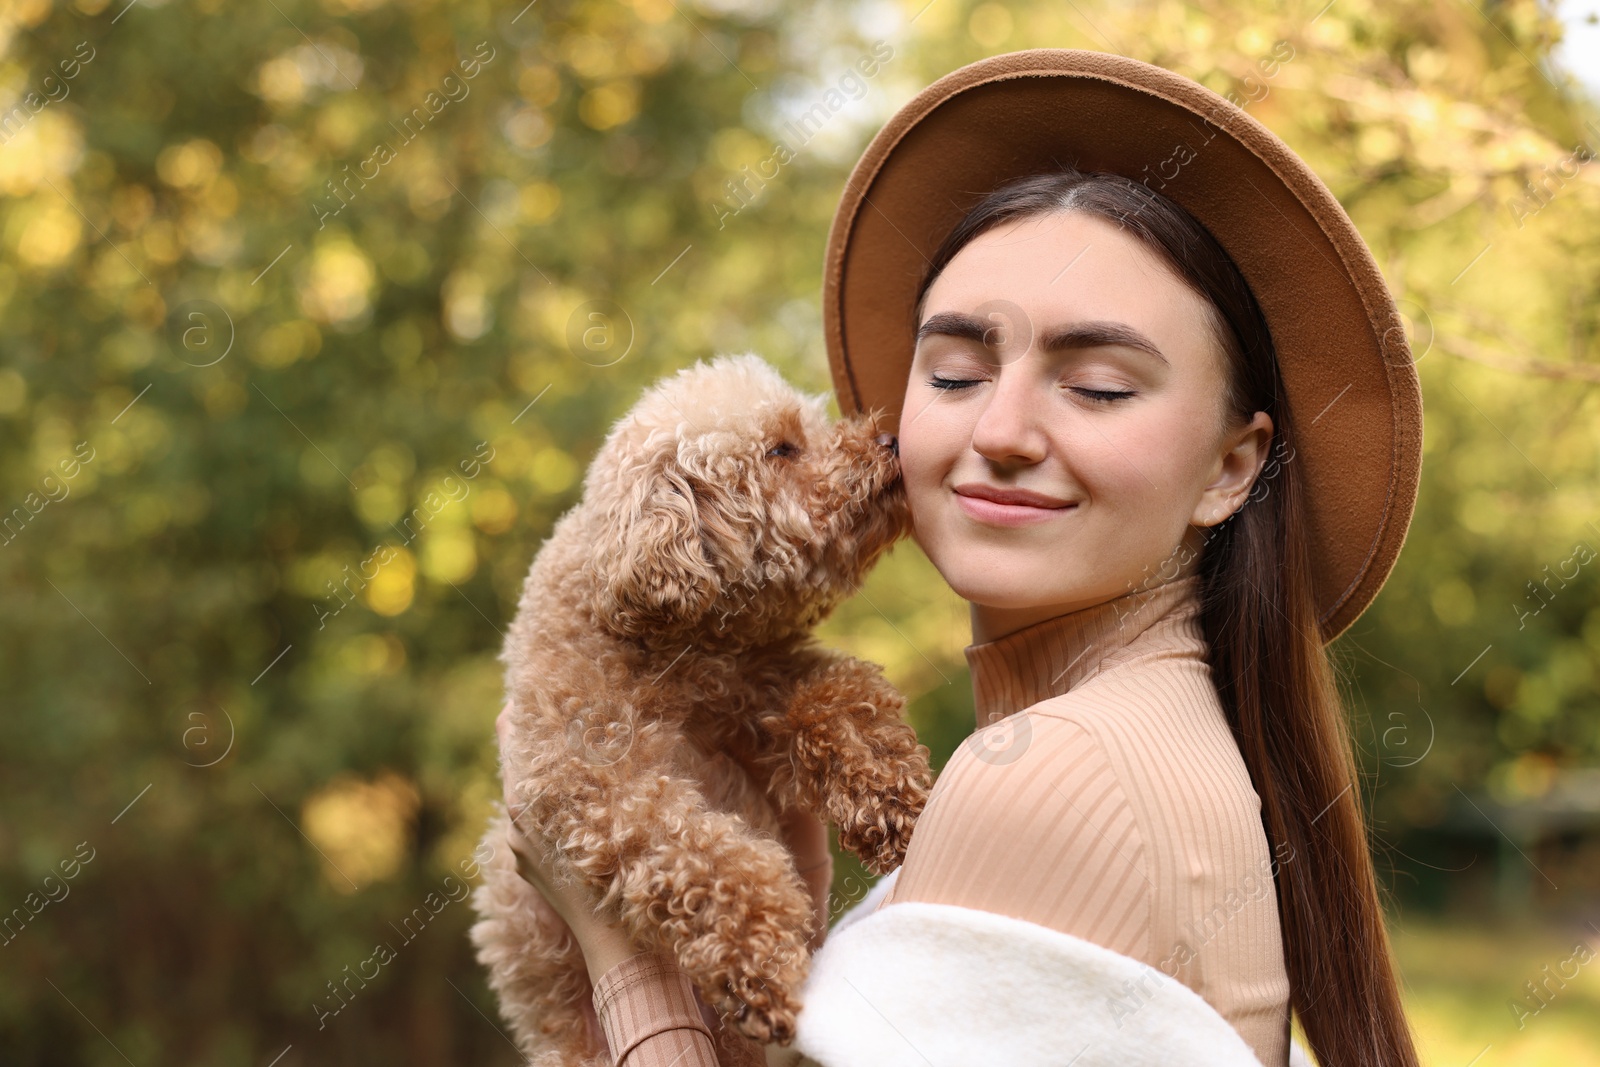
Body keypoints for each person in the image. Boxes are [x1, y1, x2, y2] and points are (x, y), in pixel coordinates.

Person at [495, 49, 1424, 1067]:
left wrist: (621, 954)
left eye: (1100, 386)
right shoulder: (1164, 745)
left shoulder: (1047, 775)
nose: (1003, 426)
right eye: (955, 371)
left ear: (1232, 465)